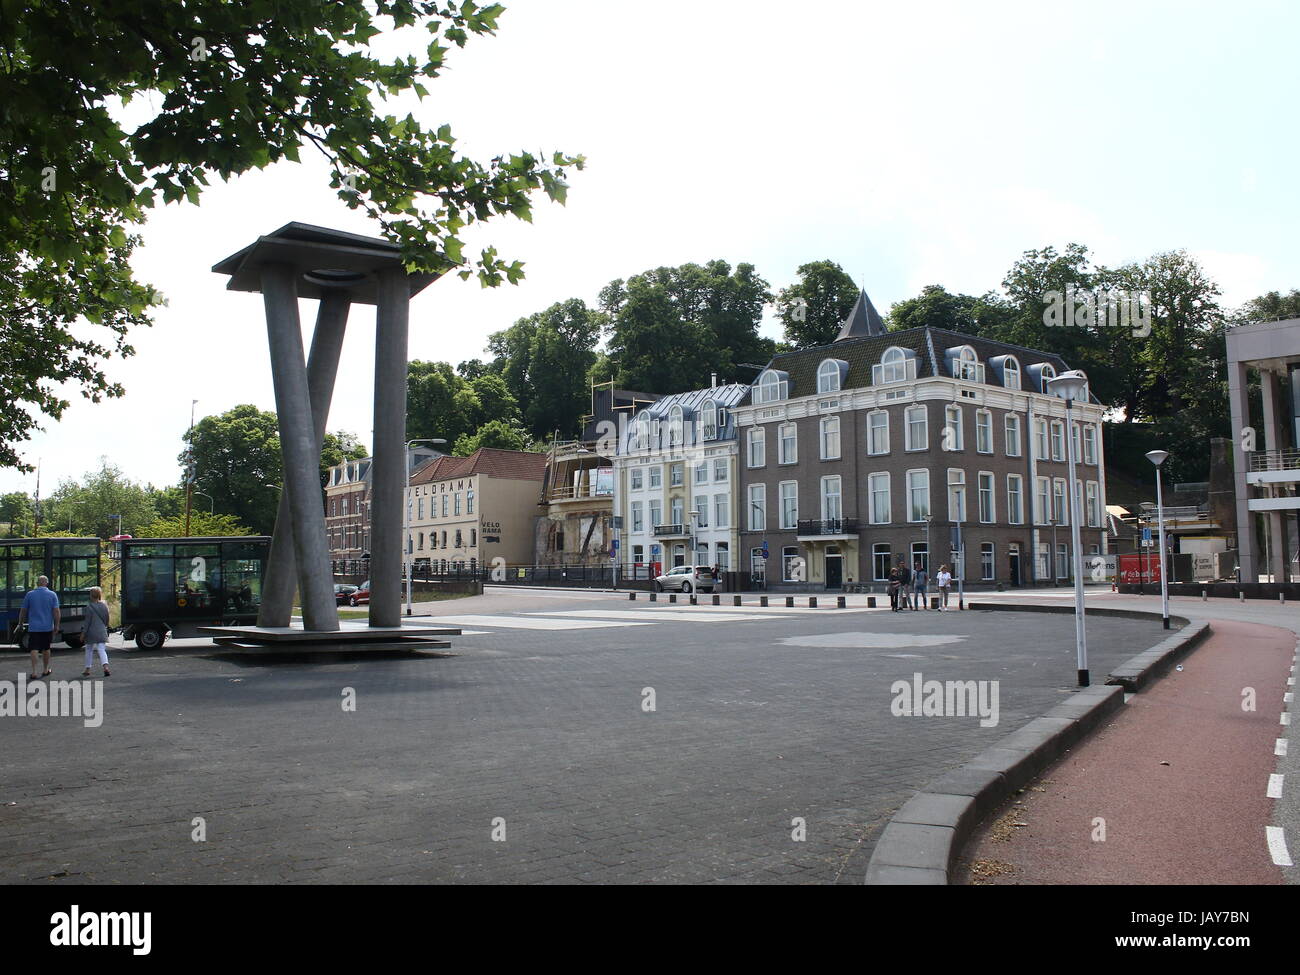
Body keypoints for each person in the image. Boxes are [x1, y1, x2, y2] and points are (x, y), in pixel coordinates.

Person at [18, 575, 60, 679]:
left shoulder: (30, 594)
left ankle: (34, 671)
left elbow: (23, 610)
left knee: (34, 649)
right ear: (47, 583)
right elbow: (56, 611)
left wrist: (21, 623)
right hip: (47, 627)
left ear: (38, 583)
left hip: (34, 627)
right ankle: (45, 669)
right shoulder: (52, 595)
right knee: (46, 648)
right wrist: (57, 625)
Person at [82, 586, 111, 678]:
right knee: (101, 649)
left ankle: (87, 668)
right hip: (101, 630)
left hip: (91, 632)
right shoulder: (104, 606)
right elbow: (107, 618)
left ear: (91, 596)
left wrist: (83, 634)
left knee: (89, 649)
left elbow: (87, 623)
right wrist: (104, 626)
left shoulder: (89, 607)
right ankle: (105, 667)